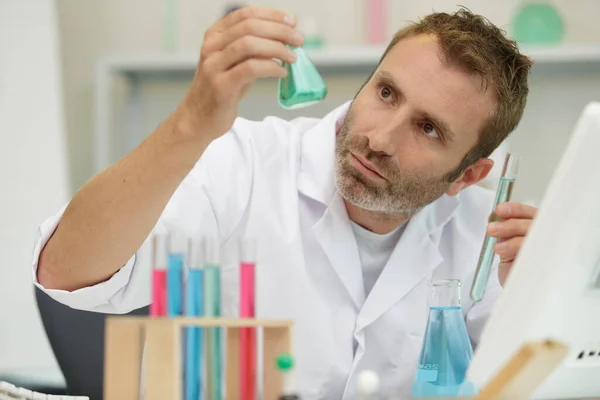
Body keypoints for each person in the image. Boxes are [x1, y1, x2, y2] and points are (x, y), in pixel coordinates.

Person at [32, 6, 536, 399]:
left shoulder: (488, 242)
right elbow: (63, 271)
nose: (380, 139)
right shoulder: (242, 163)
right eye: (385, 93)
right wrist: (190, 123)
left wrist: (543, 302)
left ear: (467, 175)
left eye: (427, 128)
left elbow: (530, 381)